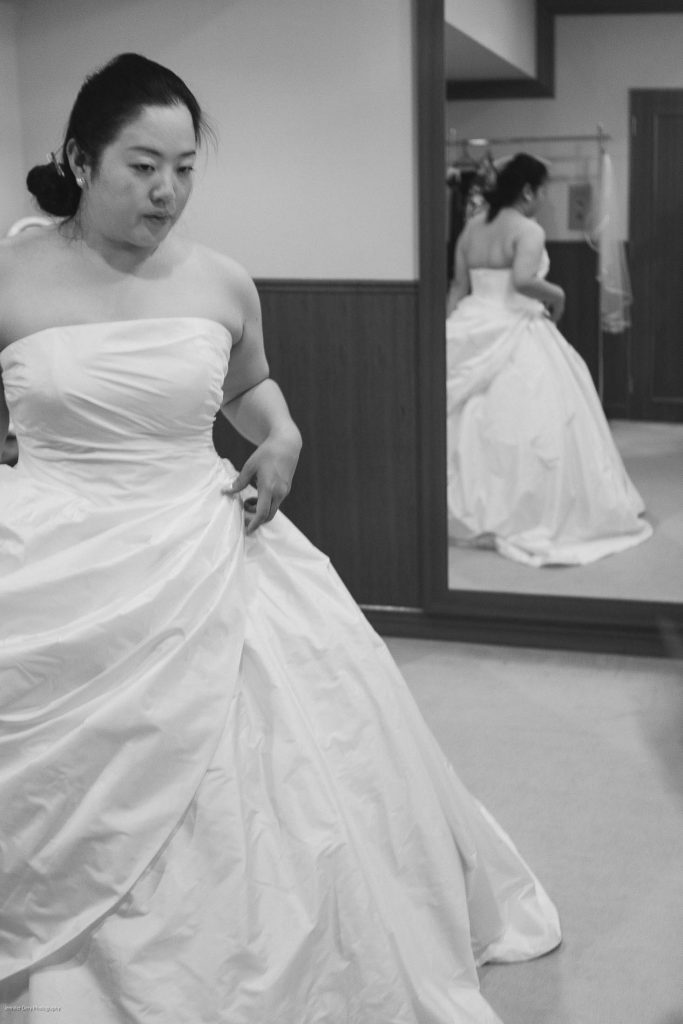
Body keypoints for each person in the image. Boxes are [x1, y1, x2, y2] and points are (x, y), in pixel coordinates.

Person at [0, 57, 561, 1023]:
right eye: (142, 166)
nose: (167, 190)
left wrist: (285, 437)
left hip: (201, 538)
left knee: (286, 789)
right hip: (49, 547)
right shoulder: (10, 276)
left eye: (183, 166)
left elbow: (249, 389)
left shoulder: (219, 278)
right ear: (81, 160)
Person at [445, 153, 652, 567]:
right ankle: (528, 510)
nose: (542, 198)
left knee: (470, 418)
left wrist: (449, 329)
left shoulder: (471, 228)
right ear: (527, 191)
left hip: (470, 318)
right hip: (514, 322)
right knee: (541, 417)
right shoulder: (528, 230)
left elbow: (457, 286)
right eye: (541, 191)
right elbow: (523, 281)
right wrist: (559, 296)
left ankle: (468, 507)